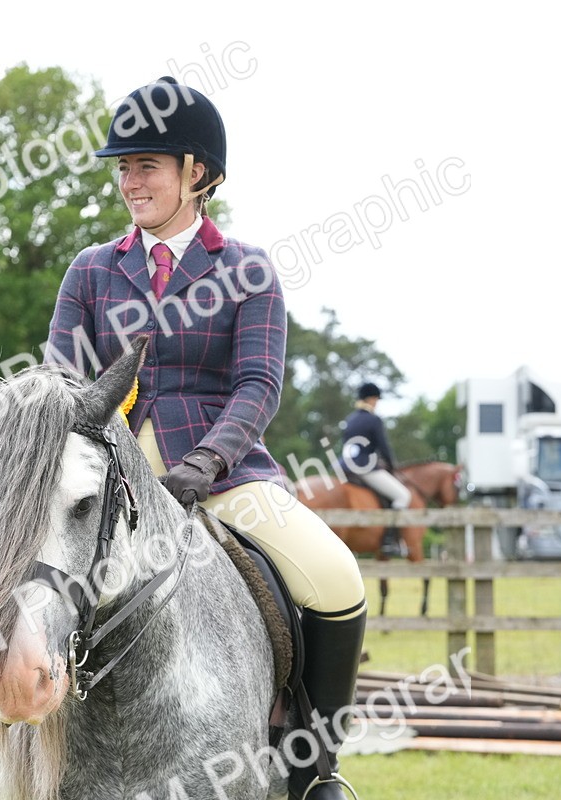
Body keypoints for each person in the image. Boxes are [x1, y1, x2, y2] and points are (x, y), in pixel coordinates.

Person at [45, 76, 366, 800]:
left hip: (225, 475)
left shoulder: (246, 269)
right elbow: (62, 383)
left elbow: (258, 386)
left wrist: (205, 462)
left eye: (146, 165)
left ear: (198, 173)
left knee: (337, 580)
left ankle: (315, 769)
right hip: (110, 475)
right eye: (123, 167)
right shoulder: (92, 271)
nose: (130, 181)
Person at [341, 382, 412, 554]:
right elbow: (383, 447)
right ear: (372, 399)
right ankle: (390, 541)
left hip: (344, 466)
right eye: (376, 399)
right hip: (365, 468)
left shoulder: (349, 421)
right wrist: (392, 466)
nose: (377, 403)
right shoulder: (373, 420)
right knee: (403, 495)